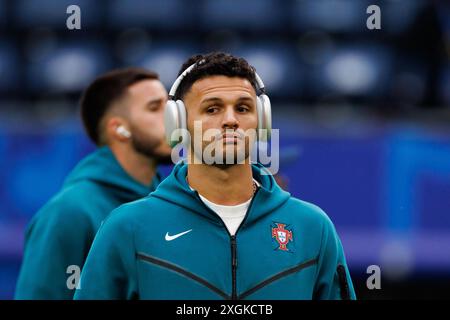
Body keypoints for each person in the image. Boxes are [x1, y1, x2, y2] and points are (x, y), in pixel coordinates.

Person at [74, 52, 356, 300]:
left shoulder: (313, 228)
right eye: (212, 108)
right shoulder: (128, 228)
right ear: (178, 123)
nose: (231, 119)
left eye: (243, 108)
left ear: (262, 121)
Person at [15, 68, 172, 299]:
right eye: (155, 108)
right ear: (119, 128)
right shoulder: (69, 212)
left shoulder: (173, 206)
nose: (172, 119)